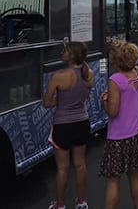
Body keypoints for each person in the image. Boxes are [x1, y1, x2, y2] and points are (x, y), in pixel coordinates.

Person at [44, 41, 93, 209]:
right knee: (80, 164)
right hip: (82, 122)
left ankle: (60, 204)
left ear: (71, 55)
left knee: (62, 168)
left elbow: (46, 103)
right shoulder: (89, 74)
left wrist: (61, 100)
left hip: (62, 124)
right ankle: (81, 201)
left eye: (65, 50)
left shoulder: (58, 76)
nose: (62, 52)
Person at [99, 40, 138, 209]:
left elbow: (113, 111)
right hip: (136, 132)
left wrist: (104, 101)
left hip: (118, 136)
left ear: (116, 59)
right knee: (134, 173)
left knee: (113, 179)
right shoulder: (137, 74)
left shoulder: (115, 79)